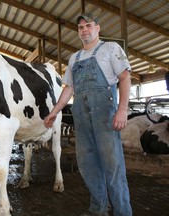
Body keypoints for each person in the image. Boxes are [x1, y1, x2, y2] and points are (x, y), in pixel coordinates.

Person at [44, 13, 132, 216]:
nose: (84, 30)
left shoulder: (110, 49)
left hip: (105, 116)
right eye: (80, 28)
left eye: (88, 26)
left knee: (113, 167)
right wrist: (54, 112)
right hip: (82, 119)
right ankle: (99, 208)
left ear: (98, 28)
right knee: (87, 165)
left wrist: (122, 110)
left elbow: (125, 78)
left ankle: (122, 212)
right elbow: (69, 89)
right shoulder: (74, 58)